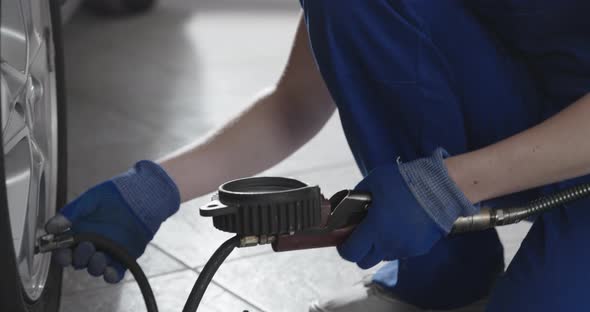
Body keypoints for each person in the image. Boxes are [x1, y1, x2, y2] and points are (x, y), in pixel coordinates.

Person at [47, 1, 590, 311]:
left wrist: (446, 185)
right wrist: (151, 191)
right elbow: (293, 106)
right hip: (529, 111)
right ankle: (441, 279)